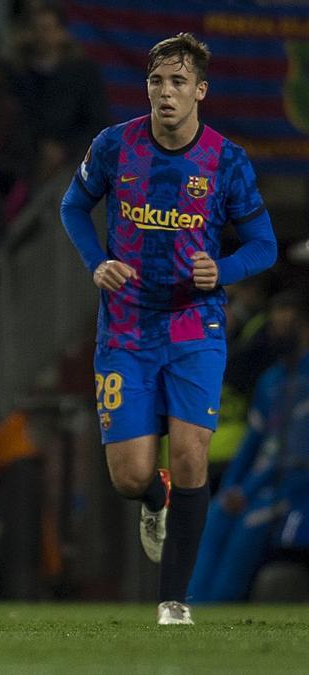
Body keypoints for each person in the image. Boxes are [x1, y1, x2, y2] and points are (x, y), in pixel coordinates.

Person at [59, 33, 277, 625]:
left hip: (193, 327)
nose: (165, 92)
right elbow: (72, 207)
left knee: (189, 457)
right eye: (156, 81)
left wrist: (222, 269)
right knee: (130, 475)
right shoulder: (113, 147)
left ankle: (173, 602)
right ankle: (153, 501)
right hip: (125, 329)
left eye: (178, 82)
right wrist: (94, 262)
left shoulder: (226, 162)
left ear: (200, 91)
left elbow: (265, 245)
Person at [189, 295, 309, 602]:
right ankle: (191, 605)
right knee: (216, 514)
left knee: (248, 524)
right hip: (264, 485)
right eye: (275, 325)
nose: (277, 333)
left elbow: (293, 454)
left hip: (295, 487)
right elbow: (253, 443)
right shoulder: (271, 380)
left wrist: (247, 490)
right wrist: (232, 488)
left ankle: (218, 607)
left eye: (287, 326)